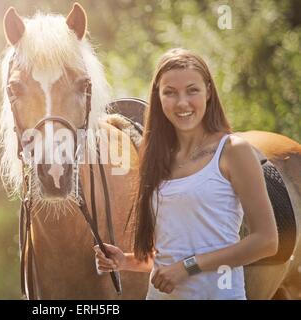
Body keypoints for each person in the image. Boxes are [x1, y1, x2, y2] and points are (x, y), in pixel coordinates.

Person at [94, 48, 278, 300]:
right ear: (158, 97)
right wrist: (124, 261)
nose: (182, 103)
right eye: (170, 92)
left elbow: (266, 241)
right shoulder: (157, 159)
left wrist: (188, 267)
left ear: (209, 92)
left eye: (192, 90)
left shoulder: (233, 151)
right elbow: (170, 253)